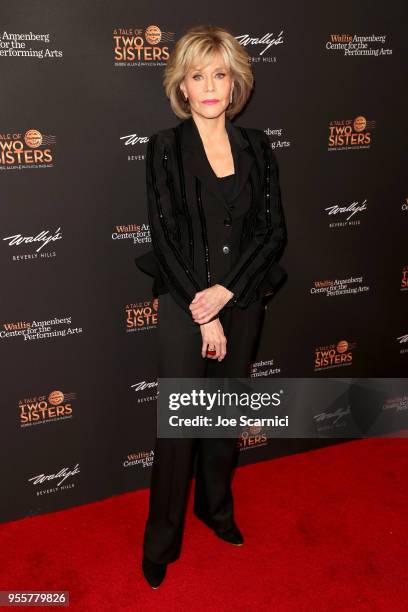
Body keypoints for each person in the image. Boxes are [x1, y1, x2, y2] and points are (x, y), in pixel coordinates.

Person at [134, 24, 288, 588]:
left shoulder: (258, 147)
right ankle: (161, 541)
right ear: (182, 83)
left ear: (234, 82)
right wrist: (205, 311)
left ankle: (216, 511)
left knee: (221, 420)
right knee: (178, 431)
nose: (208, 86)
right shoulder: (164, 147)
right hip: (183, 303)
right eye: (197, 75)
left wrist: (227, 296)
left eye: (219, 74)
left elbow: (272, 233)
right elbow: (165, 236)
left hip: (242, 299)